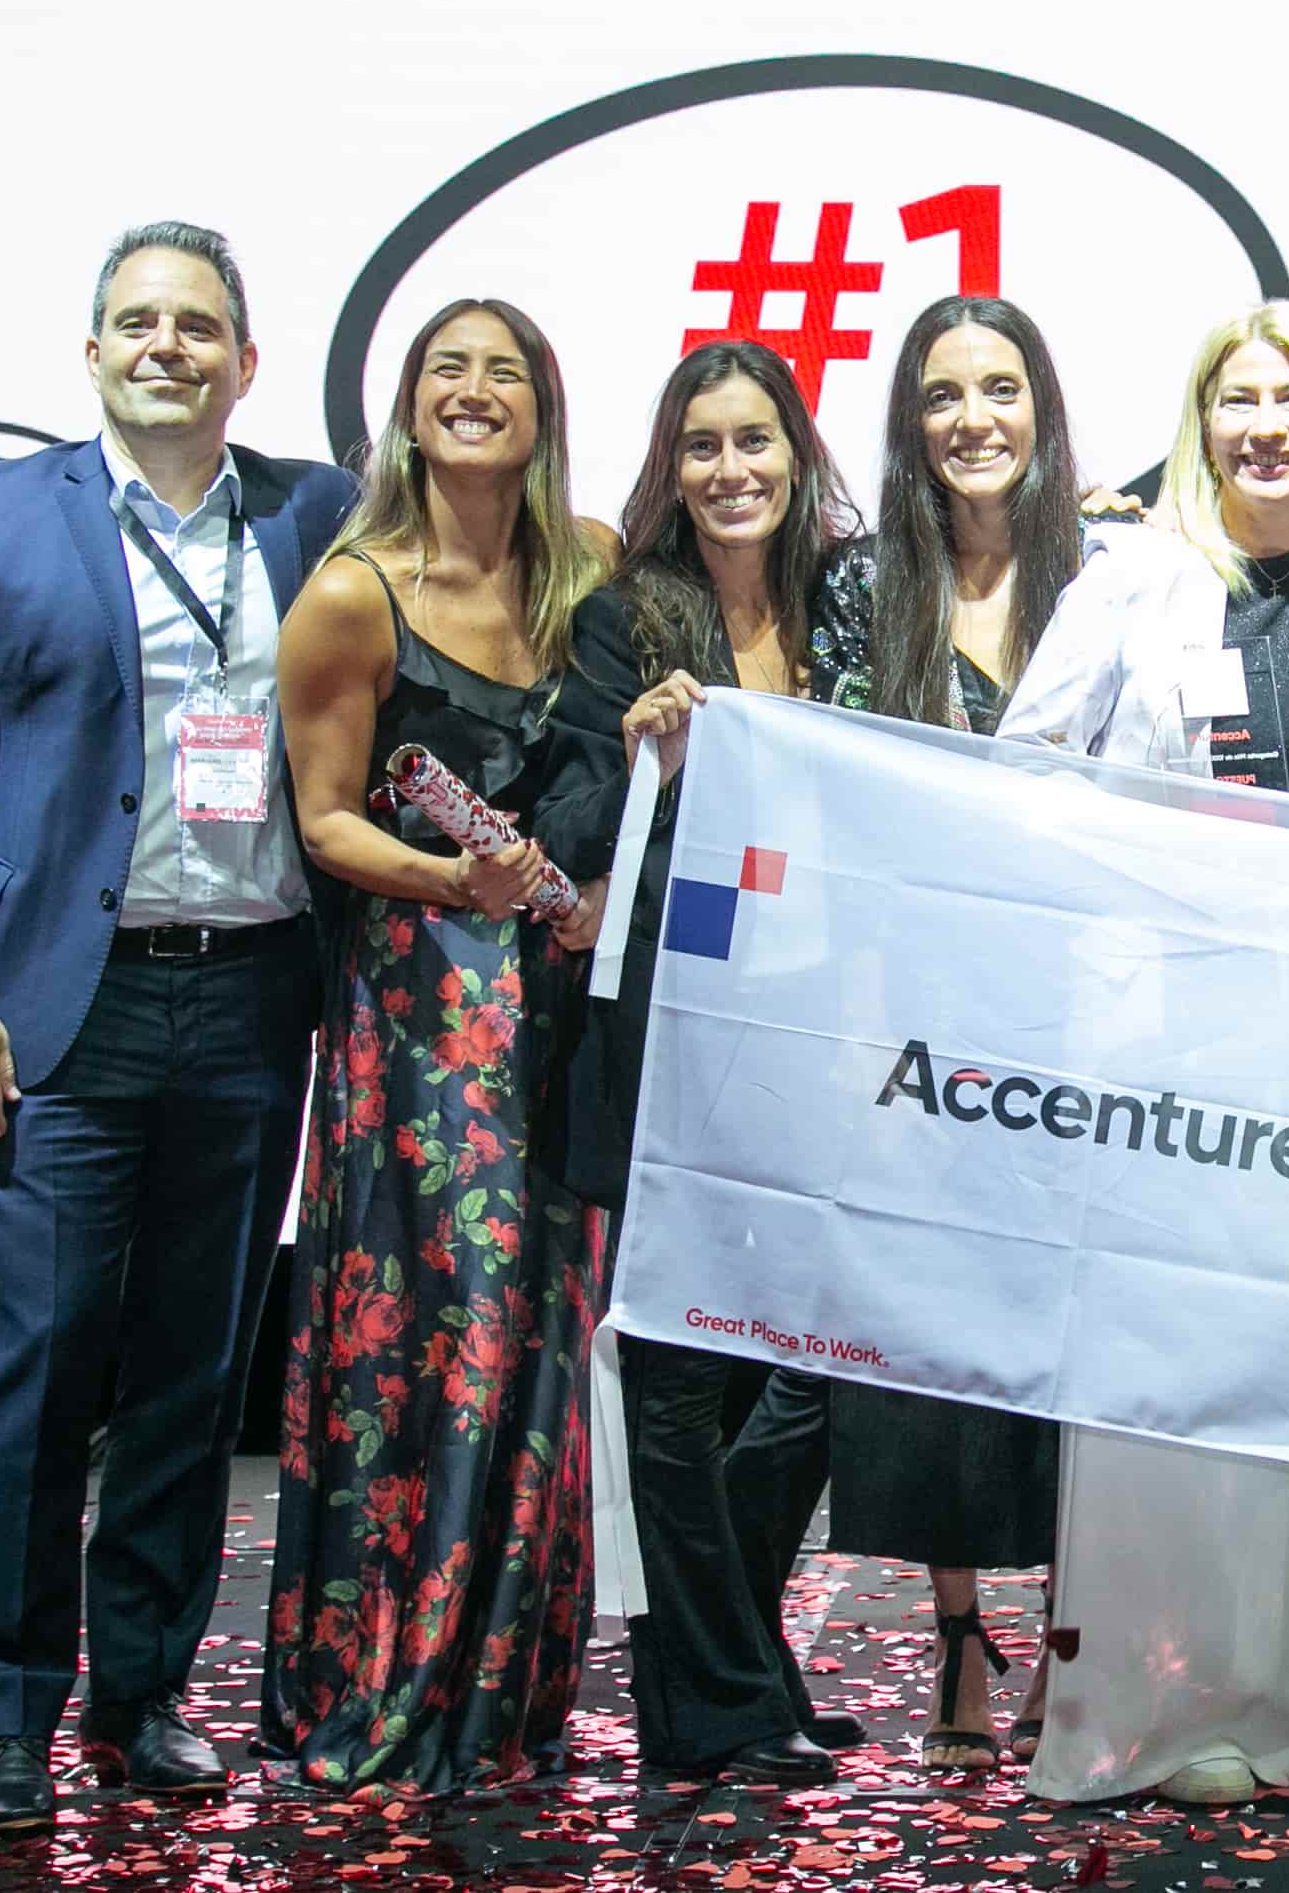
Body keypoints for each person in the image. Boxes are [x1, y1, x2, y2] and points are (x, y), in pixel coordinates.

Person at [0, 222, 356, 1834]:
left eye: (198, 326)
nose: (167, 348)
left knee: (187, 1380)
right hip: (58, 1009)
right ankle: (4, 1711)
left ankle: (141, 1696)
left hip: (255, 992)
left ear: (246, 361)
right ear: (90, 354)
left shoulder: (316, 512)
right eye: (137, 323)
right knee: (38, 1366)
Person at [995, 305, 1289, 1807]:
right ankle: (1167, 1706)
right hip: (1171, 1050)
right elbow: (1025, 775)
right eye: (1237, 398)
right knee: (1165, 1386)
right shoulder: (1130, 581)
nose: (1266, 426)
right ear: (1199, 422)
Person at [261, 297, 618, 1794]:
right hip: (420, 1018)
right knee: (437, 1332)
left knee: (543, 1329)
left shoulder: (590, 566)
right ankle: (392, 1676)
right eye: (446, 369)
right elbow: (322, 820)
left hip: (561, 1007)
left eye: (504, 371)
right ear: (406, 404)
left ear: (543, 405)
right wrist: (451, 882)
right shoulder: (354, 594)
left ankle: (507, 1690)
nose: (474, 392)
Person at [538, 339, 864, 1788]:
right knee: (676, 1377)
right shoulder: (625, 615)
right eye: (702, 444)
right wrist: (640, 761)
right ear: (670, 467)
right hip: (667, 1037)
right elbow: (567, 821)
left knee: (805, 1376)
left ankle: (711, 1676)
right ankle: (727, 1687)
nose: (732, 469)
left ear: (797, 451)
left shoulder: (846, 605)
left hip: (818, 1037)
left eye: (755, 439)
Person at [805, 295, 1092, 1770]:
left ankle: (1069, 1636)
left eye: (998, 387)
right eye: (941, 394)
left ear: (1041, 406)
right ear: (911, 423)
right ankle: (960, 1634)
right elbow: (841, 790)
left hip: (1080, 1019)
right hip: (915, 1016)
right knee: (938, 1345)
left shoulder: (1105, 576)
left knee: (1067, 1340)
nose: (973, 418)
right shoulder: (866, 585)